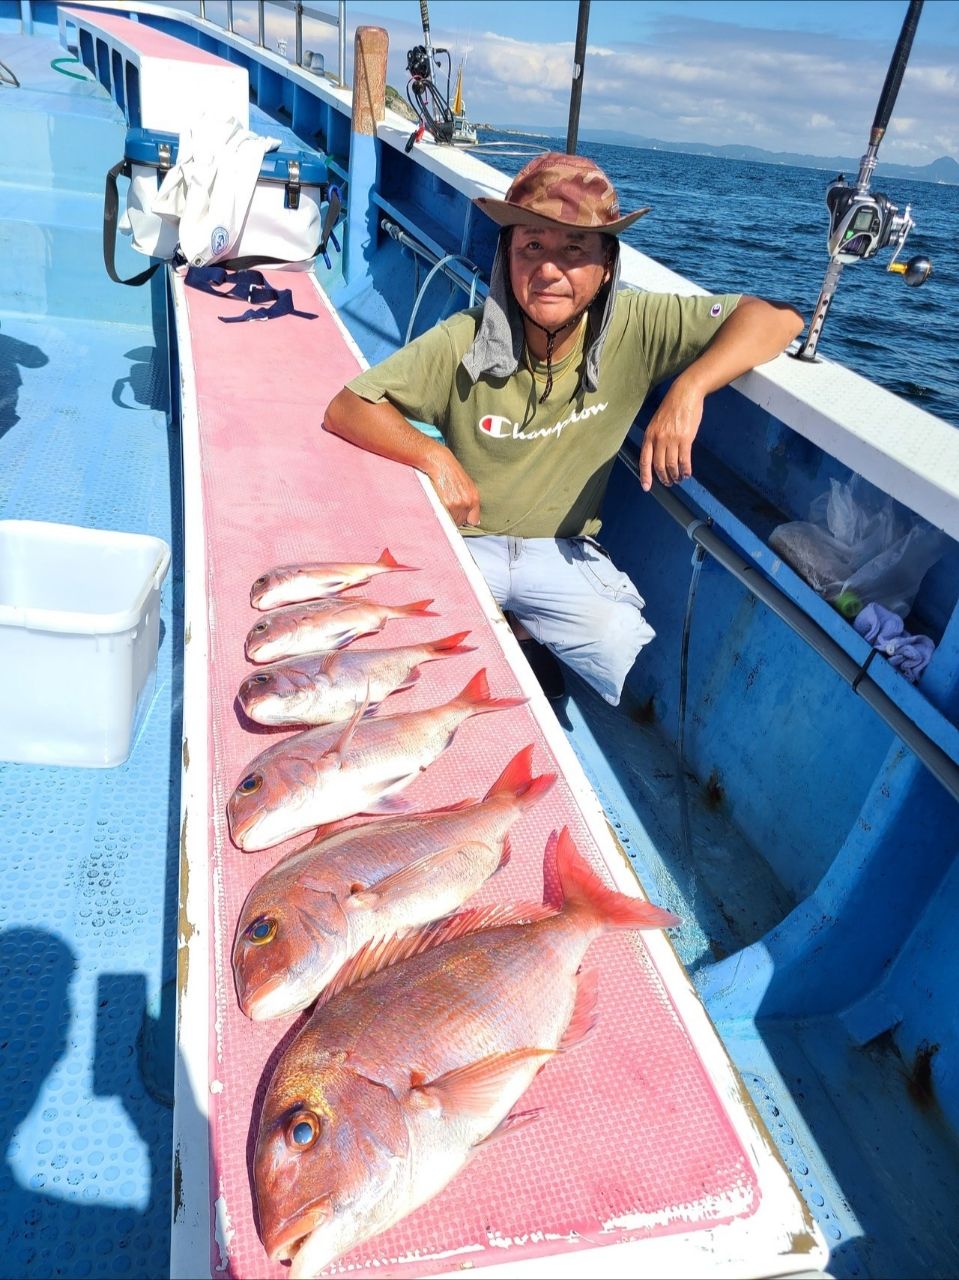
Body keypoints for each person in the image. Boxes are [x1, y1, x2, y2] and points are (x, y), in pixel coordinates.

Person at [324, 152, 804, 705]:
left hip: (560, 549)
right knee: (404, 642)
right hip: (470, 541)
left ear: (605, 268)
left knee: (616, 637)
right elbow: (349, 406)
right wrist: (434, 457)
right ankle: (508, 627)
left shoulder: (637, 328)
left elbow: (777, 317)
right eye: (532, 246)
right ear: (507, 257)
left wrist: (690, 387)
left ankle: (521, 629)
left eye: (575, 249)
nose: (549, 270)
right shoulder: (467, 337)